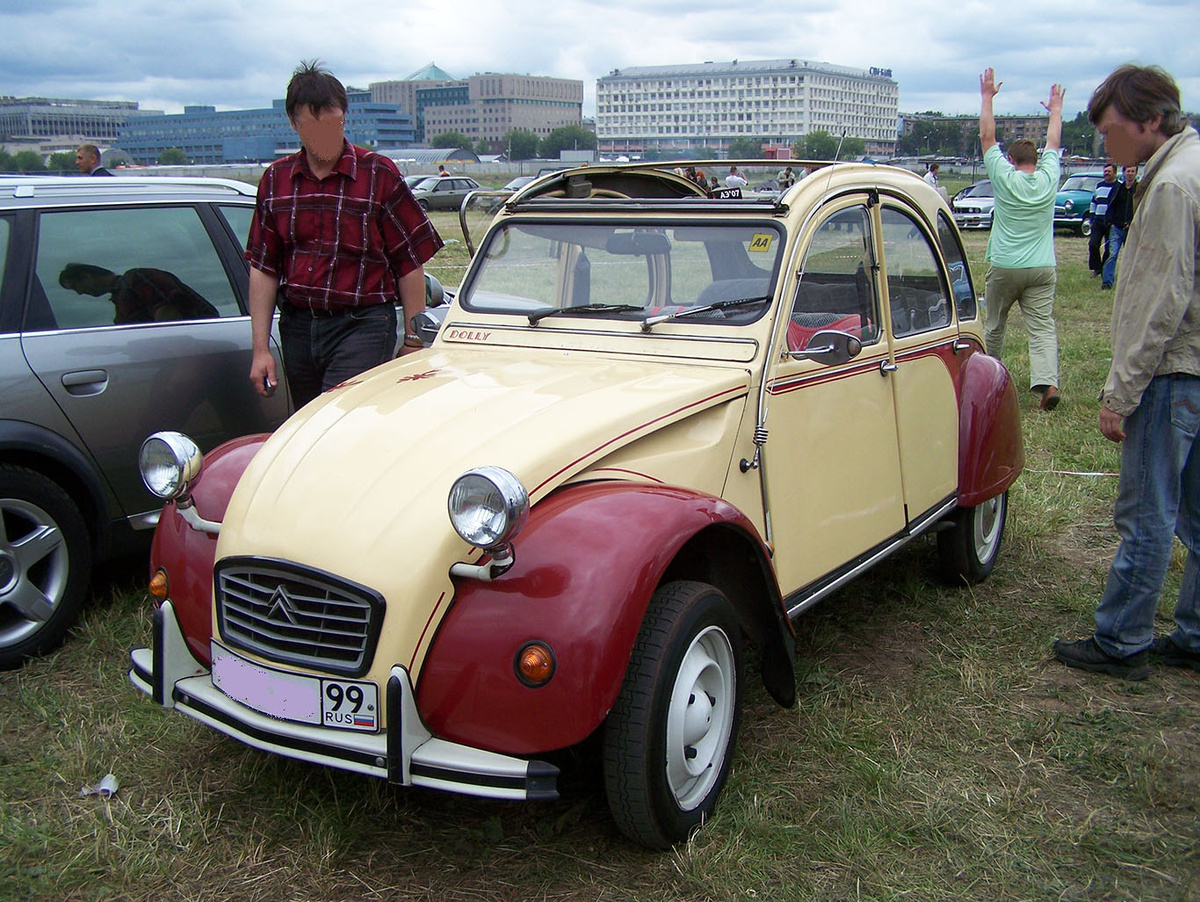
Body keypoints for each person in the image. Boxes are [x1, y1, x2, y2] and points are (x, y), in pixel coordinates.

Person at [1054, 64, 1200, 679]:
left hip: (1171, 373)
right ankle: (1193, 634)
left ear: (1152, 120)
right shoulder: (1186, 167)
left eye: (1112, 131)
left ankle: (1122, 639)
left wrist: (1121, 392)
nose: (1105, 144)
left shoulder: (1172, 186)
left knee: (1147, 514)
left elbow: (1161, 301)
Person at [246, 61, 443, 408]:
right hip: (298, 326)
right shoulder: (276, 180)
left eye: (332, 122)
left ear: (344, 119)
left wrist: (413, 339)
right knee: (309, 423)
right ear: (294, 124)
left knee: (339, 414)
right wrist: (260, 349)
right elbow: (264, 268)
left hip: (362, 323)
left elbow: (409, 261)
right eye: (312, 125)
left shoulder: (378, 173)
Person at [978, 67, 1065, 411]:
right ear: (1036, 160)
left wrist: (987, 97)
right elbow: (1054, 142)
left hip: (1006, 264)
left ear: (1011, 160)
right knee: (1041, 327)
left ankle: (990, 381)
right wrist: (1055, 111)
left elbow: (987, 137)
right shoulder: (1049, 178)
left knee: (995, 325)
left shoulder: (1004, 177)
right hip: (1042, 266)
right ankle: (1048, 384)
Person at [59, 262, 219, 324]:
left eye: (76, 286)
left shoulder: (137, 278)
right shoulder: (120, 296)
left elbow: (168, 316)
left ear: (87, 277)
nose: (79, 293)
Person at [1100, 164, 1138, 289]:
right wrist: (1110, 222)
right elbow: (1110, 205)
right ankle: (1107, 282)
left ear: (1136, 173)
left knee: (1131, 257)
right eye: (1128, 171)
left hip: (1132, 228)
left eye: (1132, 171)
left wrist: (1132, 221)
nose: (1130, 173)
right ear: (1124, 172)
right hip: (1116, 227)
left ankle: (1130, 282)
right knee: (1112, 255)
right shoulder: (1118, 189)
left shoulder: (1138, 190)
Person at [1087, 162, 1119, 277]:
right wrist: (1092, 219)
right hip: (1098, 221)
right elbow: (1093, 202)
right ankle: (1096, 268)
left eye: (1109, 171)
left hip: (1111, 223)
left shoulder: (1119, 187)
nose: (1106, 173)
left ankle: (1105, 269)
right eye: (1105, 171)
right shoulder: (1099, 186)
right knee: (1093, 244)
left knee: (1108, 248)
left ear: (1115, 173)